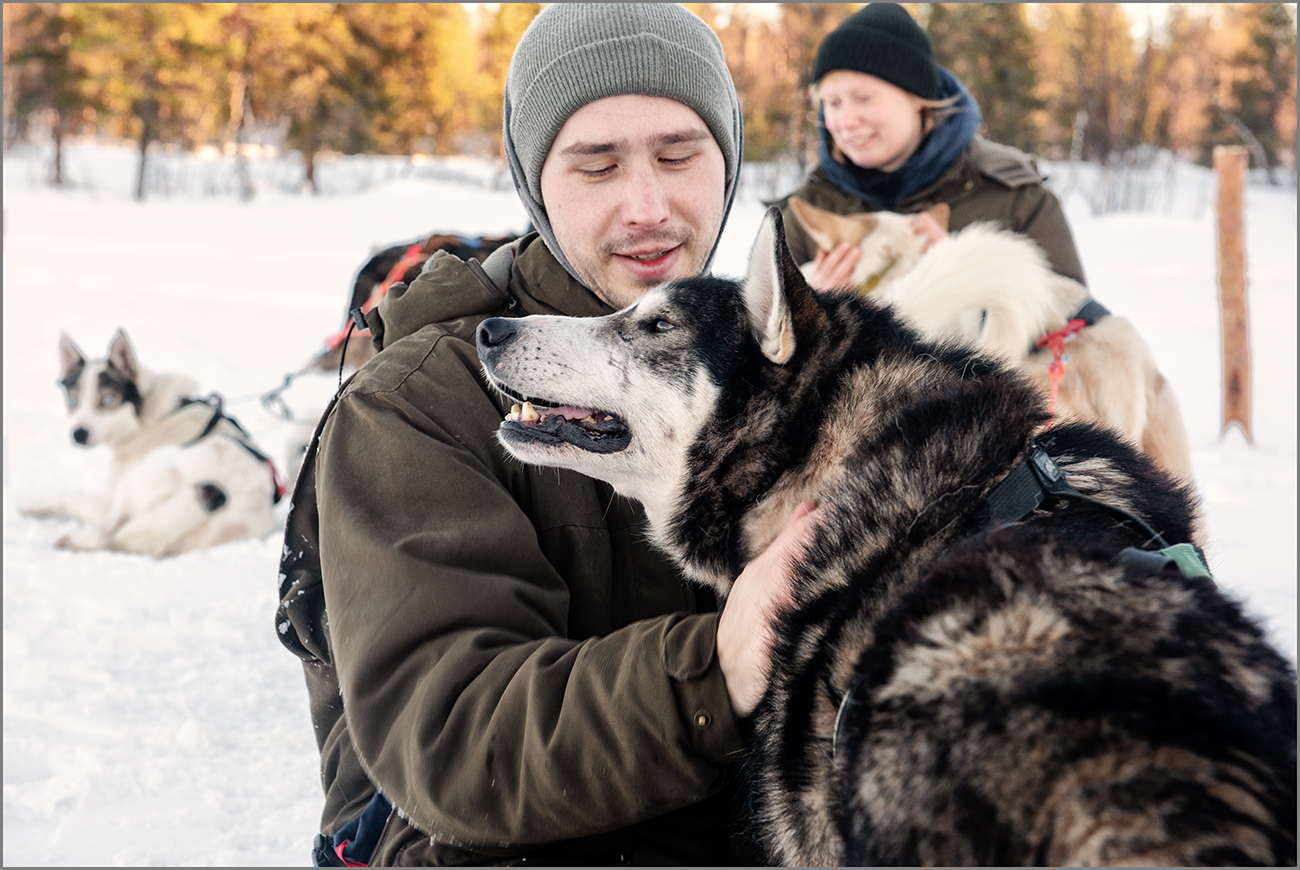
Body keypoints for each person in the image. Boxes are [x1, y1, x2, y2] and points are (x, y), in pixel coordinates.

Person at [275, 4, 816, 866]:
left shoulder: (769, 362)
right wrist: (719, 663)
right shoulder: (418, 405)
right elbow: (454, 740)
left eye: (679, 156)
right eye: (595, 166)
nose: (647, 207)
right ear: (535, 183)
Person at [777, 3, 1087, 293]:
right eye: (832, 103)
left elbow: (1075, 322)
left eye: (863, 98)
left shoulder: (1011, 195)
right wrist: (803, 308)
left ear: (917, 98)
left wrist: (965, 272)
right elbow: (751, 339)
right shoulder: (810, 209)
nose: (845, 120)